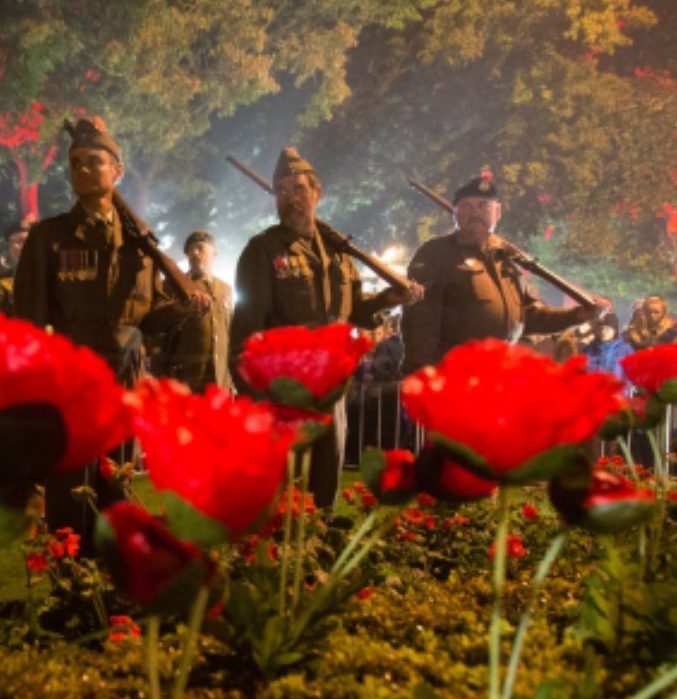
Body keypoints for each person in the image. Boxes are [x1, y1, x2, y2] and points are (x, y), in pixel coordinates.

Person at [14, 115, 198, 534]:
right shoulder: (48, 238)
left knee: (117, 483)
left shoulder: (140, 245)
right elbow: (27, 323)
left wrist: (184, 309)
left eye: (93, 161)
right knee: (69, 489)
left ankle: (111, 583)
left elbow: (148, 320)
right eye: (75, 162)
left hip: (127, 380)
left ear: (117, 170)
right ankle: (72, 583)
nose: (81, 169)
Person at [230, 146, 422, 505]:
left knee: (323, 491)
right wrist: (258, 401)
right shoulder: (263, 250)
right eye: (281, 191)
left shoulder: (338, 253)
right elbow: (244, 334)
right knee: (280, 499)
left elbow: (353, 313)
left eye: (298, 189)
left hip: (331, 390)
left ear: (317, 193)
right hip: (282, 394)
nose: (290, 199)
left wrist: (389, 300)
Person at [400, 176, 605, 376]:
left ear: (497, 212)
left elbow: (528, 316)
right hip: (455, 379)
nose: (475, 213)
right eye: (466, 207)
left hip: (498, 377)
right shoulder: (436, 254)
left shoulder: (506, 258)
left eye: (483, 206)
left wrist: (577, 316)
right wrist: (423, 379)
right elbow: (419, 324)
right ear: (455, 213)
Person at [167, 230, 233, 391]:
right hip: (187, 378)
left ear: (214, 253)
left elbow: (230, 331)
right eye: (190, 250)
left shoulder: (225, 289)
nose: (194, 253)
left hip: (220, 380)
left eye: (200, 248)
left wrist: (231, 380)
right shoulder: (175, 286)